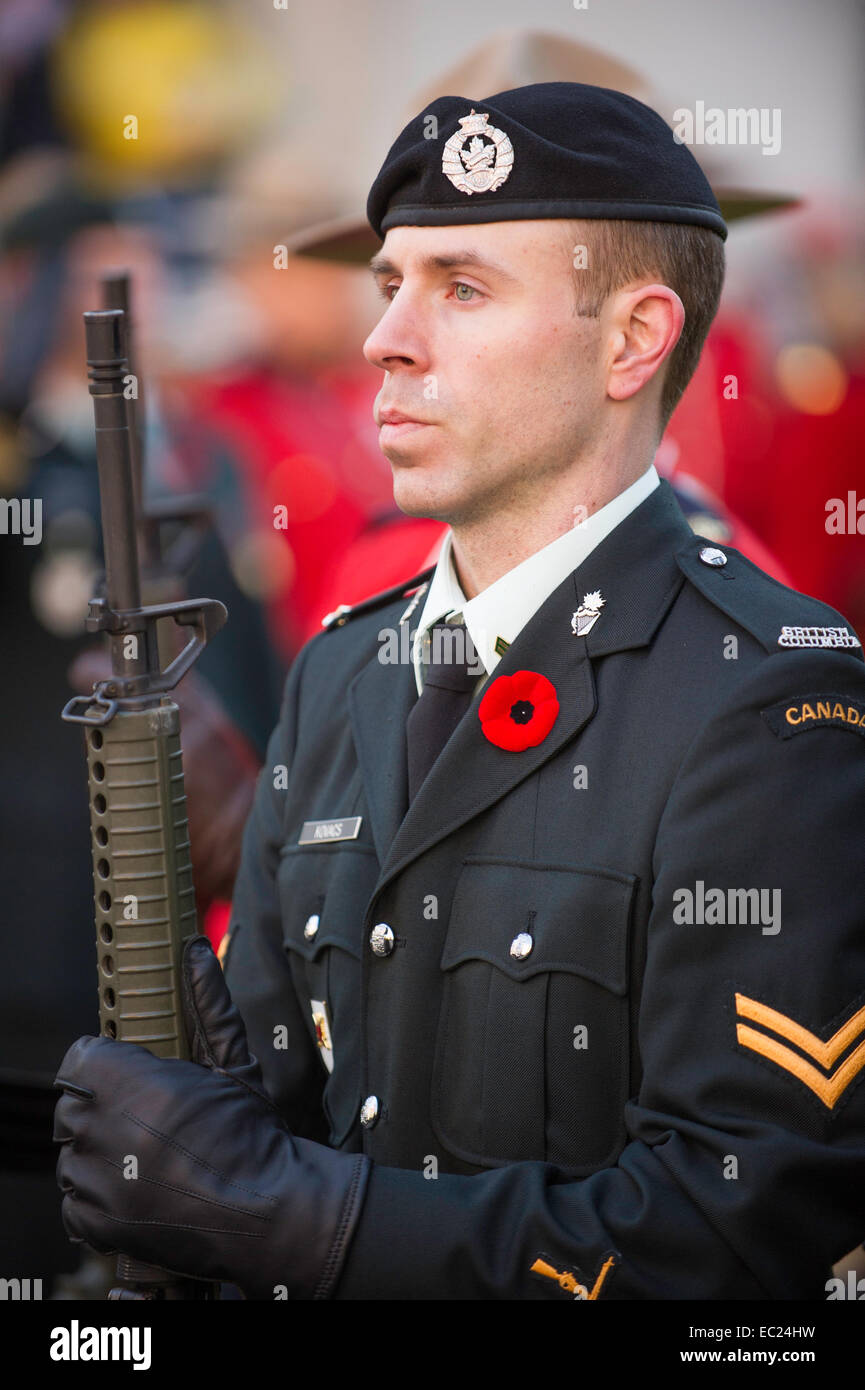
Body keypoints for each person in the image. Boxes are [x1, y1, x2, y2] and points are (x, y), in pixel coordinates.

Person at [53, 81, 865, 1301]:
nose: (386, 336)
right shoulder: (342, 666)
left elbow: (731, 1233)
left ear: (632, 340)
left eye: (464, 289)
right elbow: (283, 1110)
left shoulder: (771, 696)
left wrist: (285, 1215)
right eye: (392, 283)